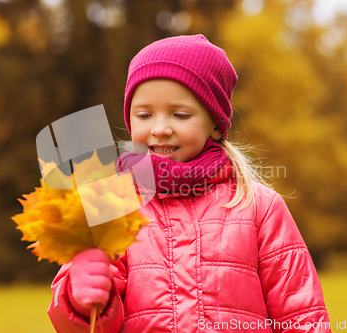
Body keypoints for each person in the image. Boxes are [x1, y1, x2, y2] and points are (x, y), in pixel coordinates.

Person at [48, 34, 332, 333]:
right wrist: (80, 298)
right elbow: (83, 325)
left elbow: (302, 314)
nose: (159, 129)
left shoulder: (258, 206)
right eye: (144, 115)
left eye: (180, 114)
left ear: (213, 122)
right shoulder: (110, 203)